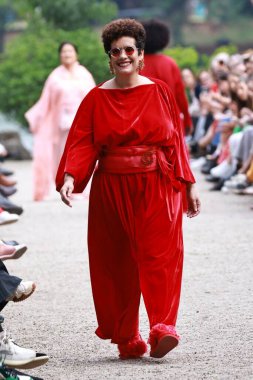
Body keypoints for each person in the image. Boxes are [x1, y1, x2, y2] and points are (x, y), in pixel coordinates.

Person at [56, 19, 200, 360]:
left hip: (157, 184)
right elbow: (82, 143)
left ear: (140, 55)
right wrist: (70, 177)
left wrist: (189, 183)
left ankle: (163, 327)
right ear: (109, 57)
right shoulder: (95, 98)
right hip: (111, 188)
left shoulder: (159, 90)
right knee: (117, 263)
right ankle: (127, 337)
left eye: (129, 50)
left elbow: (175, 143)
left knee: (160, 256)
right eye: (115, 51)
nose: (122, 55)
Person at [25, 42, 96, 201]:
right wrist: (37, 120)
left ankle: (80, 188)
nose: (67, 54)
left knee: (81, 154)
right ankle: (66, 187)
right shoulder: (55, 76)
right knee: (63, 156)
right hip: (61, 122)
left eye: (70, 51)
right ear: (60, 55)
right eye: (64, 52)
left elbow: (93, 97)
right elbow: (45, 101)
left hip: (82, 122)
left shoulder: (84, 73)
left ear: (76, 54)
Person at [140, 19, 192, 136]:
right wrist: (187, 120)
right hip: (169, 120)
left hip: (143, 121)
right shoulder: (170, 63)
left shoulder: (135, 64)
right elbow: (180, 96)